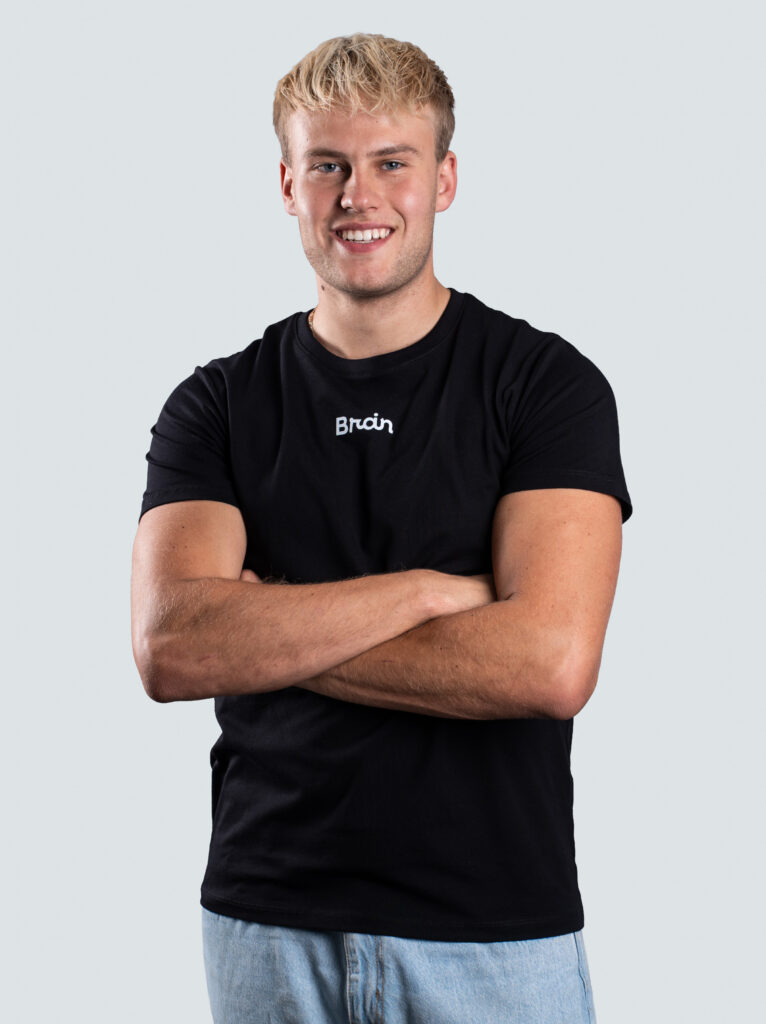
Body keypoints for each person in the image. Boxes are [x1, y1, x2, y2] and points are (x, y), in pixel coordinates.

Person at [131, 32, 632, 1024]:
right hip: (266, 921)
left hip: (493, 932)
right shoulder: (218, 404)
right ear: (288, 185)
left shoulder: (545, 387)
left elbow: (549, 663)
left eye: (391, 162)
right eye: (328, 165)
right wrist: (427, 594)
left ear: (443, 180)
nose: (358, 195)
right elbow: (172, 648)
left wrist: (266, 630)